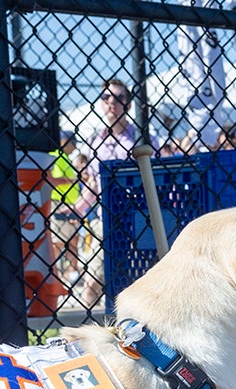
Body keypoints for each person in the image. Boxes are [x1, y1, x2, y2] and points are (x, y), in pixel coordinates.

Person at [75, 79, 140, 308]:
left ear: (128, 105)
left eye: (119, 97)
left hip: (136, 220)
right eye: (106, 98)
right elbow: (93, 185)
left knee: (135, 282)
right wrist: (77, 209)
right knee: (92, 280)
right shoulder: (95, 142)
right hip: (105, 219)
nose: (112, 102)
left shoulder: (139, 140)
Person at [49, 130, 84, 286]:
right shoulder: (55, 156)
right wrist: (72, 180)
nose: (74, 147)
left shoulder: (65, 158)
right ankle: (55, 271)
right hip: (58, 203)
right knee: (58, 240)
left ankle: (71, 271)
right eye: (72, 143)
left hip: (70, 204)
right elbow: (51, 179)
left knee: (72, 240)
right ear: (64, 142)